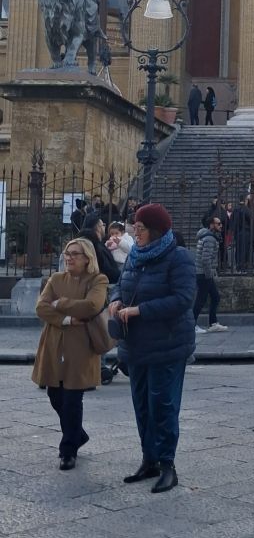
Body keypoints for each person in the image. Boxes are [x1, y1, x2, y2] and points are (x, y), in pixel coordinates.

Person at [110, 203, 197, 494]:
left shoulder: (179, 257)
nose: (136, 233)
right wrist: (115, 300)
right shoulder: (135, 255)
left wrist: (140, 310)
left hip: (167, 344)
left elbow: (183, 299)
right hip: (136, 344)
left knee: (163, 405)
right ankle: (149, 460)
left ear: (156, 230)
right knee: (142, 405)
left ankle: (167, 465)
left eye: (141, 228)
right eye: (135, 227)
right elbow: (121, 283)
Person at [33, 237, 108, 470]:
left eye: (75, 253)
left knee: (73, 399)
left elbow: (92, 306)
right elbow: (41, 307)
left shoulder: (98, 280)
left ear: (87, 258)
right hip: (54, 343)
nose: (69, 257)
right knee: (55, 395)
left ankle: (68, 450)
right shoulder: (56, 279)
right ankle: (78, 434)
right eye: (67, 253)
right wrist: (67, 319)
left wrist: (60, 303)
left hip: (81, 346)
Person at [194, 215, 227, 334]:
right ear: (211, 225)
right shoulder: (209, 239)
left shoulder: (207, 236)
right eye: (218, 224)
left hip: (204, 273)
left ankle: (213, 323)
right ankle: (192, 324)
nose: (221, 226)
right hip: (204, 274)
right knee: (201, 300)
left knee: (215, 297)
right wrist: (209, 274)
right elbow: (205, 259)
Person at [81, 210, 121, 285]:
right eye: (103, 225)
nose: (104, 227)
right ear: (98, 228)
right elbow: (107, 270)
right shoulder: (95, 245)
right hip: (103, 284)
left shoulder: (91, 243)